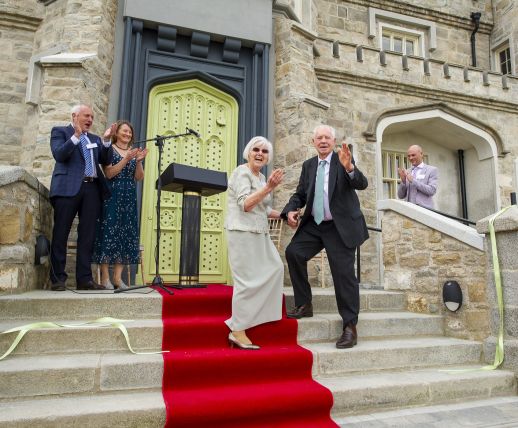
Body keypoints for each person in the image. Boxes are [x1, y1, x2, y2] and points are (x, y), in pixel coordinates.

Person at [282, 125, 369, 349]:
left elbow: (361, 183)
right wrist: (291, 209)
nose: (323, 141)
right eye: (319, 138)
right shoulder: (308, 165)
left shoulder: (343, 160)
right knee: (294, 253)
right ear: (313, 142)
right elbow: (300, 194)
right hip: (315, 224)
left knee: (343, 276)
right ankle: (304, 304)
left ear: (333, 141)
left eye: (327, 138)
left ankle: (350, 326)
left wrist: (349, 167)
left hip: (339, 227)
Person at [224, 136, 284, 350]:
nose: (260, 154)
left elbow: (264, 209)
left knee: (276, 268)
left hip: (259, 232)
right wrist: (269, 187)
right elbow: (246, 204)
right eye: (256, 149)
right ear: (248, 153)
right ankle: (237, 330)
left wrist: (285, 215)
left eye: (264, 151)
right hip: (242, 232)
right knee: (246, 281)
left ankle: (252, 317)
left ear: (268, 158)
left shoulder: (260, 178)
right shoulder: (242, 172)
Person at [49, 104, 114, 291]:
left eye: (92, 117)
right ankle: (58, 279)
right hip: (67, 188)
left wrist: (107, 141)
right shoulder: (60, 131)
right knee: (61, 232)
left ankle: (85, 279)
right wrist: (76, 136)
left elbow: (106, 159)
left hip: (92, 189)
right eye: (86, 116)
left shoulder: (94, 138)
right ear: (74, 116)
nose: (90, 120)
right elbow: (59, 155)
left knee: (87, 236)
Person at [93, 120, 148, 289]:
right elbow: (109, 173)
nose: (127, 134)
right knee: (108, 233)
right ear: (117, 133)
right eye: (124, 131)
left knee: (125, 234)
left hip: (129, 197)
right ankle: (105, 278)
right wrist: (126, 159)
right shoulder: (109, 149)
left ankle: (117, 278)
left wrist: (138, 161)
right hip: (112, 195)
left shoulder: (132, 152)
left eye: (130, 132)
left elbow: (139, 177)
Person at [397, 144, 438, 208]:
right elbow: (400, 196)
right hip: (409, 211)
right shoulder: (407, 172)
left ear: (421, 154)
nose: (411, 158)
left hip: (425, 211)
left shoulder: (431, 170)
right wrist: (403, 181)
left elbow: (432, 190)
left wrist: (413, 181)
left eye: (413, 155)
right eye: (409, 156)